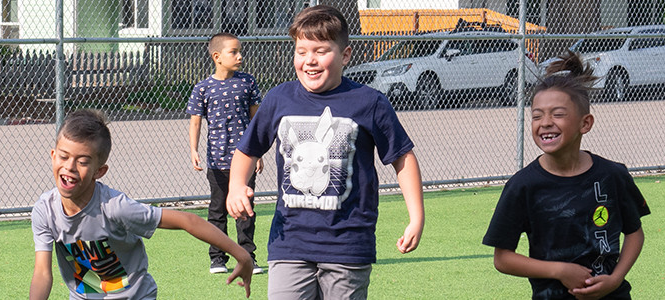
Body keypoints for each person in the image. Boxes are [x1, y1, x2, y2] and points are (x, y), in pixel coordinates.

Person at [224, 5, 425, 299]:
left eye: (320, 51)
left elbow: (402, 158)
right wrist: (236, 186)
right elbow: (247, 151)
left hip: (348, 247)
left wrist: (416, 218)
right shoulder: (279, 98)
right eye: (302, 51)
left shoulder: (369, 103)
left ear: (345, 55)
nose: (310, 60)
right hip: (289, 242)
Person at [30, 110, 255, 299]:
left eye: (82, 162)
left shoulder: (115, 207)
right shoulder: (45, 211)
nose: (69, 167)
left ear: (100, 171)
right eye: (63, 156)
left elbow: (188, 220)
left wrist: (242, 255)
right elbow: (42, 273)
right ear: (53, 156)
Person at [482, 51, 650, 300]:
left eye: (557, 114)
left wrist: (615, 280)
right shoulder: (523, 186)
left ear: (585, 123)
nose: (546, 122)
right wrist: (560, 270)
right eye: (537, 115)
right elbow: (502, 258)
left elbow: (635, 232)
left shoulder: (612, 175)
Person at [186, 32, 266, 275]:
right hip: (217, 161)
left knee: (245, 211)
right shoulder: (203, 88)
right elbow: (196, 122)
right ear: (217, 57)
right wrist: (194, 149)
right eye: (234, 52)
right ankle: (217, 259)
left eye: (240, 51)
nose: (240, 56)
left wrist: (258, 152)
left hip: (246, 160)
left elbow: (256, 119)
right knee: (218, 210)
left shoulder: (248, 82)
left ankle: (247, 258)